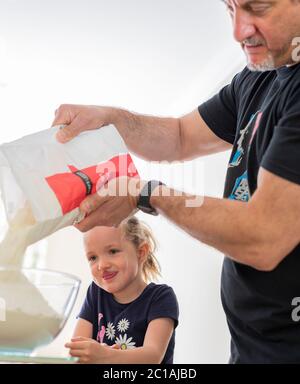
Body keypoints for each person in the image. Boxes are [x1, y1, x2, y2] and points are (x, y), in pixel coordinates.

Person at [55, 0, 300, 363]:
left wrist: (146, 194)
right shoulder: (258, 76)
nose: (238, 31)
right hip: (253, 347)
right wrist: (112, 119)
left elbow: (265, 237)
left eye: (258, 8)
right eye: (231, 9)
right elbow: (182, 135)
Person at [65, 216, 179, 364]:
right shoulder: (95, 292)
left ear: (141, 252)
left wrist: (105, 355)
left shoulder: (161, 297)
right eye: (93, 257)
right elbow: (76, 351)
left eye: (112, 251)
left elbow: (152, 356)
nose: (102, 265)